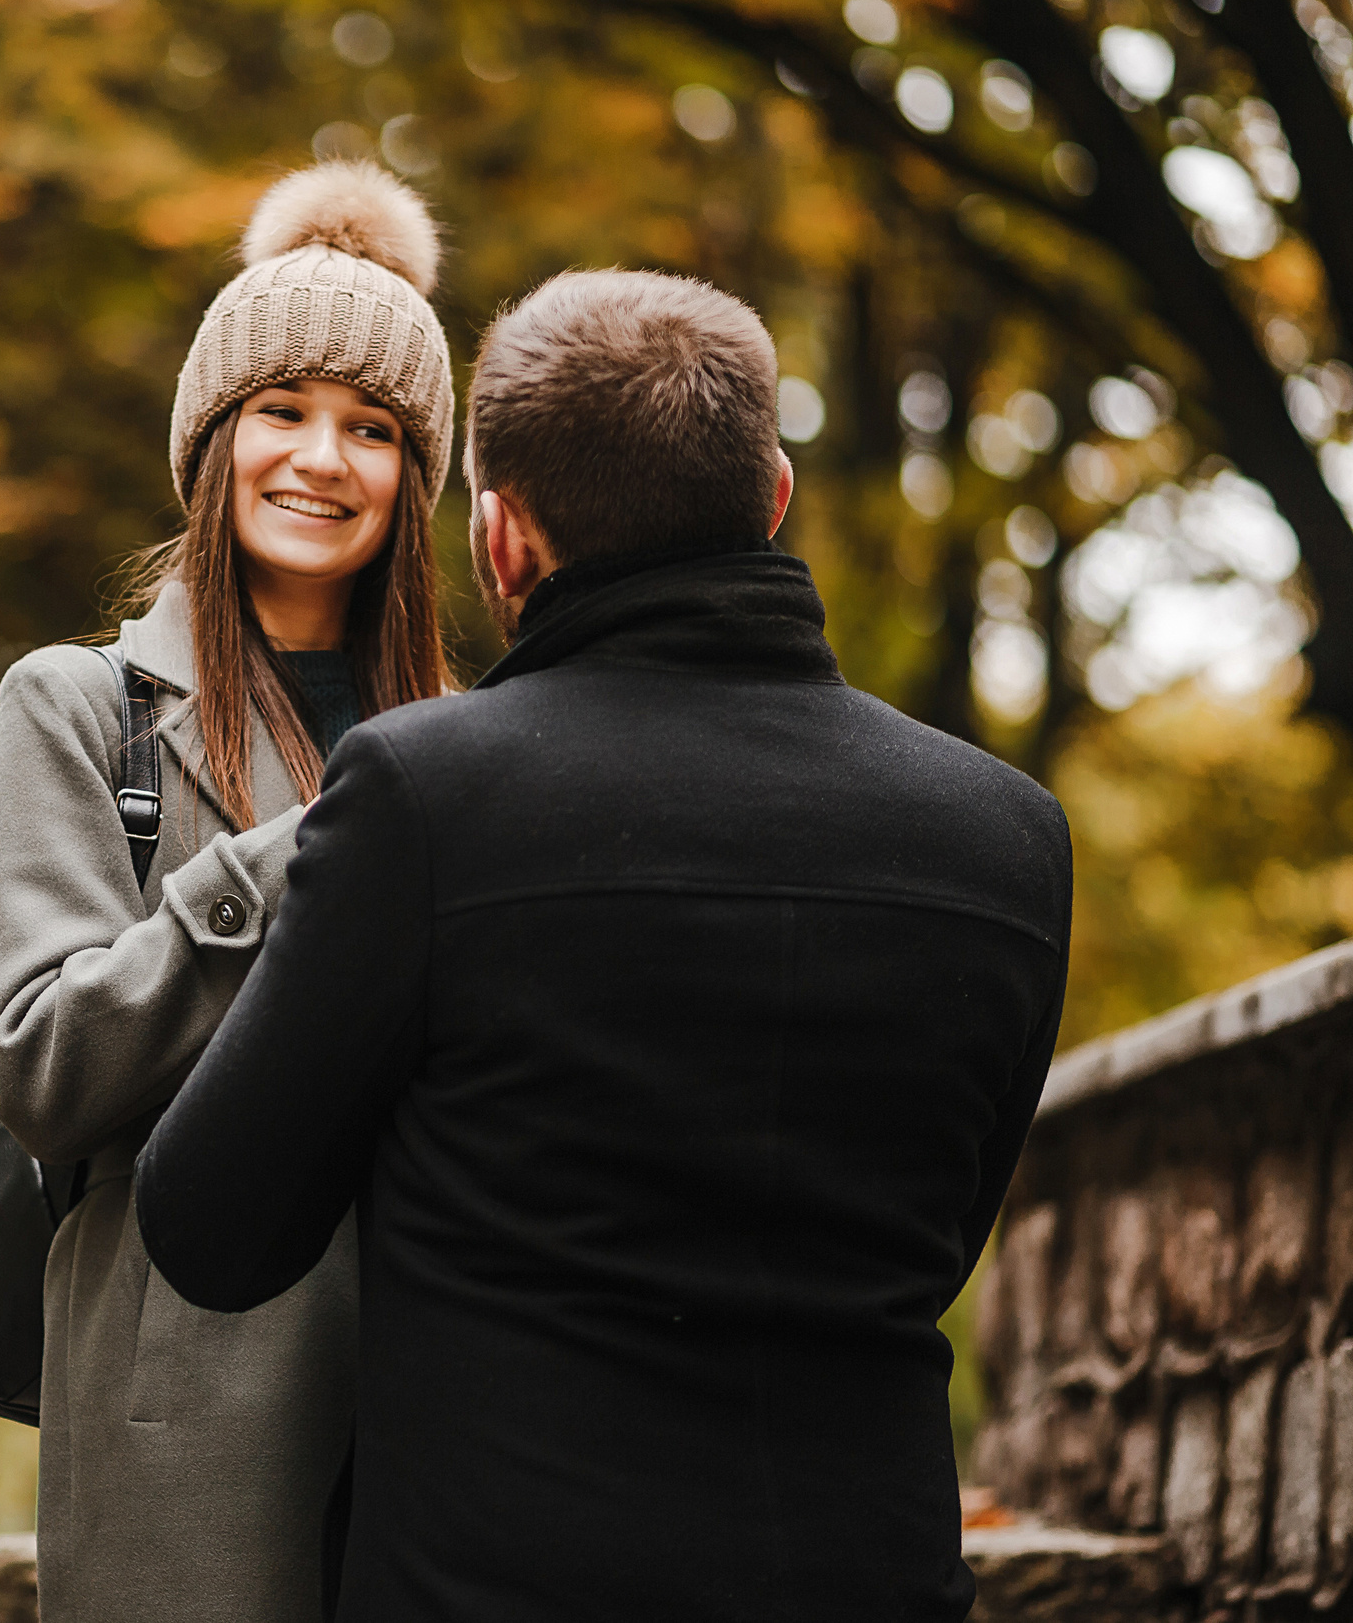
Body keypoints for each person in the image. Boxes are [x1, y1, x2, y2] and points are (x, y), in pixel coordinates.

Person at [135, 269, 1073, 1622]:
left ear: (502, 539)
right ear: (775, 500)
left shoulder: (423, 795)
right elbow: (947, 1229)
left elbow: (210, 1227)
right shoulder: (1007, 840)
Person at [0, 161, 455, 1623]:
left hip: (445, 1401)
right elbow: (40, 1063)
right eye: (283, 411)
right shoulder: (77, 708)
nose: (323, 458)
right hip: (181, 1405)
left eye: (373, 429)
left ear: (416, 484)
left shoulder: (473, 740)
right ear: (212, 438)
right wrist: (308, 852)